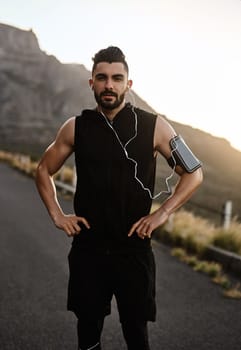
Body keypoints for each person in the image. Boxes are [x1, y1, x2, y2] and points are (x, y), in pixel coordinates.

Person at [35, 46, 203, 350]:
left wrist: (162, 214)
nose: (109, 85)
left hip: (134, 249)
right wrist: (58, 216)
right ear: (91, 83)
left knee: (136, 334)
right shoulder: (76, 127)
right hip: (89, 248)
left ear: (128, 84)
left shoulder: (155, 126)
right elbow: (43, 169)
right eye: (101, 78)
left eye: (116, 78)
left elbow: (194, 173)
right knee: (88, 332)